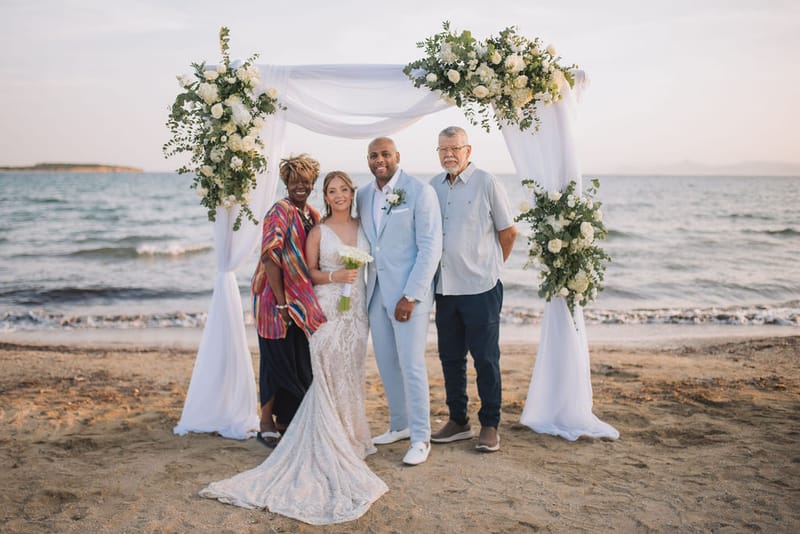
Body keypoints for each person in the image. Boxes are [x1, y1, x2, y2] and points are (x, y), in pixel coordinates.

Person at [200, 171, 388, 525]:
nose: (337, 195)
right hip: (308, 305)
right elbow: (294, 265)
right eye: (331, 191)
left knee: (346, 370)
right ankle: (279, 423)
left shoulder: (325, 218)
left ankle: (349, 432)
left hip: (351, 309)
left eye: (343, 189)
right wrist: (314, 288)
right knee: (306, 367)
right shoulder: (301, 221)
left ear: (351, 192)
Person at [429, 126, 518, 452]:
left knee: (485, 359)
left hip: (481, 288)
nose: (449, 154)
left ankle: (490, 424)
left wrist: (491, 268)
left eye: (455, 148)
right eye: (443, 149)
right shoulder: (433, 186)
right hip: (445, 289)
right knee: (451, 358)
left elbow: (508, 232)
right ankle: (458, 420)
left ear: (468, 150)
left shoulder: (487, 182)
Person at [356, 137, 442, 466]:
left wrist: (412, 295)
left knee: (412, 365)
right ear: (368, 160)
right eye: (374, 155)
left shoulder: (420, 192)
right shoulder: (363, 195)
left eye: (386, 154)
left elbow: (430, 249)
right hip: (376, 292)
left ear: (397, 157)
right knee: (387, 364)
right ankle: (399, 424)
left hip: (408, 296)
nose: (380, 160)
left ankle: (421, 437)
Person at [250, 154, 327, 447]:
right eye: (295, 181)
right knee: (274, 360)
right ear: (286, 182)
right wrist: (282, 304)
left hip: (300, 304)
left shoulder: (312, 214)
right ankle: (266, 422)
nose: (300, 187)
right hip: (274, 299)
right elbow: (270, 257)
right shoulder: (279, 211)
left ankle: (285, 419)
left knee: (297, 358)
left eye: (306, 182)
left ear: (312, 184)